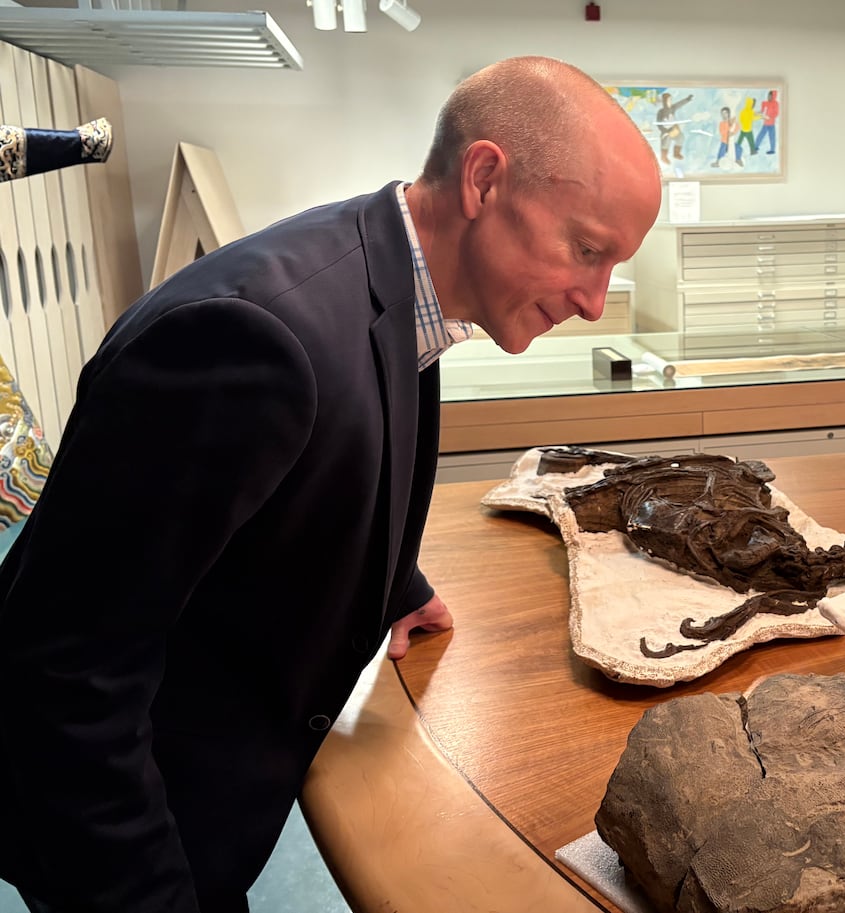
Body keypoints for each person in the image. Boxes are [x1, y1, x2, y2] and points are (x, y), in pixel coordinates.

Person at [0, 55, 661, 913]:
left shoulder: (389, 278)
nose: (596, 301)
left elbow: (296, 479)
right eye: (586, 250)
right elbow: (58, 676)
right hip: (134, 839)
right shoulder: (249, 340)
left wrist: (390, 581)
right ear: (485, 179)